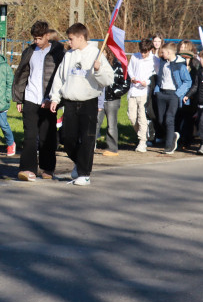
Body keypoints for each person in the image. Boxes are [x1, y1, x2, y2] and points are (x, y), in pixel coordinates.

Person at [49, 24, 113, 185]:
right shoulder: (68, 55)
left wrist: (98, 71)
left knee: (87, 139)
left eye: (71, 39)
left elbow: (108, 80)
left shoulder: (95, 54)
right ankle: (80, 162)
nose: (69, 42)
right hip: (70, 102)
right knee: (67, 137)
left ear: (80, 37)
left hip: (88, 103)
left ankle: (84, 174)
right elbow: (59, 78)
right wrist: (55, 98)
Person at [12, 21, 65, 181]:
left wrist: (56, 99)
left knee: (47, 136)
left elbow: (62, 77)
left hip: (49, 101)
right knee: (29, 135)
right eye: (34, 38)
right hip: (30, 98)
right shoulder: (29, 51)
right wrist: (19, 98)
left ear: (47, 36)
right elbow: (22, 75)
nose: (36, 41)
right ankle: (28, 169)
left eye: (39, 38)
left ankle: (48, 168)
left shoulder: (57, 52)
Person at [154, 43, 192, 154]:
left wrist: (178, 94)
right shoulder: (162, 62)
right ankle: (173, 135)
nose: (162, 54)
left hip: (173, 95)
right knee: (161, 120)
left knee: (169, 119)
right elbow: (160, 78)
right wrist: (157, 91)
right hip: (161, 93)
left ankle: (169, 145)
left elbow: (188, 81)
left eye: (163, 52)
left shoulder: (180, 65)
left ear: (169, 52)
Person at [126, 38, 158, 152]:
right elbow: (130, 69)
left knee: (142, 116)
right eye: (142, 51)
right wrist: (133, 78)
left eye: (146, 52)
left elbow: (156, 76)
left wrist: (147, 82)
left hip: (144, 92)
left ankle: (142, 141)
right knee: (132, 116)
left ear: (150, 50)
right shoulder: (135, 56)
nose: (143, 54)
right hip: (133, 91)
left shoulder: (155, 60)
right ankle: (143, 134)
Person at [96, 49, 129, 157]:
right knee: (95, 123)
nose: (101, 54)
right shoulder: (98, 65)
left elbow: (125, 82)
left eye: (104, 52)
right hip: (99, 99)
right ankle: (90, 146)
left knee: (111, 125)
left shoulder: (117, 66)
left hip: (112, 100)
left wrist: (116, 92)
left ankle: (112, 148)